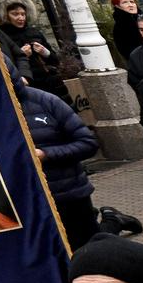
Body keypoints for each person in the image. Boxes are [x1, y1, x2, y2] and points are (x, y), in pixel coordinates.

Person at [17, 80, 101, 245]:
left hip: (68, 197)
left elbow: (88, 143)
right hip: (25, 205)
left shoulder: (45, 101)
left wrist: (46, 154)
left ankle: (111, 222)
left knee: (87, 249)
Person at [109, 0, 143, 66]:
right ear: (117, 6)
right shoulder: (120, 27)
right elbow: (127, 51)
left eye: (132, 2)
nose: (130, 5)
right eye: (125, 2)